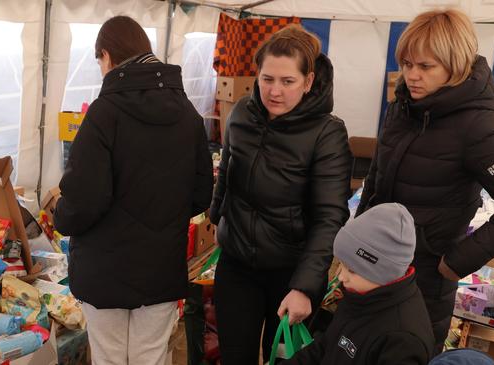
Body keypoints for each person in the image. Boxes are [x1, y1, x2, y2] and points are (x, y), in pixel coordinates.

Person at [53, 15, 214, 365]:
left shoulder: (104, 113)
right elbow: (203, 192)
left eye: (99, 62)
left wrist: (59, 217)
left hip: (104, 269)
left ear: (107, 56)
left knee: (110, 357)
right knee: (150, 356)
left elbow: (82, 201)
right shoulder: (187, 112)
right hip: (160, 266)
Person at [356, 8, 494, 352]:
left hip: (425, 279)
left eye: (425, 67)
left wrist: (458, 261)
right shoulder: (403, 107)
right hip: (375, 266)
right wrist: (358, 237)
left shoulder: (477, 126)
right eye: (407, 64)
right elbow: (377, 177)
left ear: (454, 66)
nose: (411, 75)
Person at [209, 24, 352, 364]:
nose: (275, 91)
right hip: (237, 265)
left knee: (284, 358)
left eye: (288, 81)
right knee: (233, 355)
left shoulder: (327, 133)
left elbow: (330, 217)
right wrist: (217, 218)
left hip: (290, 271)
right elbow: (226, 171)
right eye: (267, 79)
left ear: (309, 81)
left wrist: (304, 287)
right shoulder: (242, 112)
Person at [282, 203, 435, 365]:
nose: (341, 277)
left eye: (352, 270)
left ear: (383, 273)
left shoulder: (403, 341)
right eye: (340, 264)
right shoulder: (360, 292)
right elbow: (326, 345)